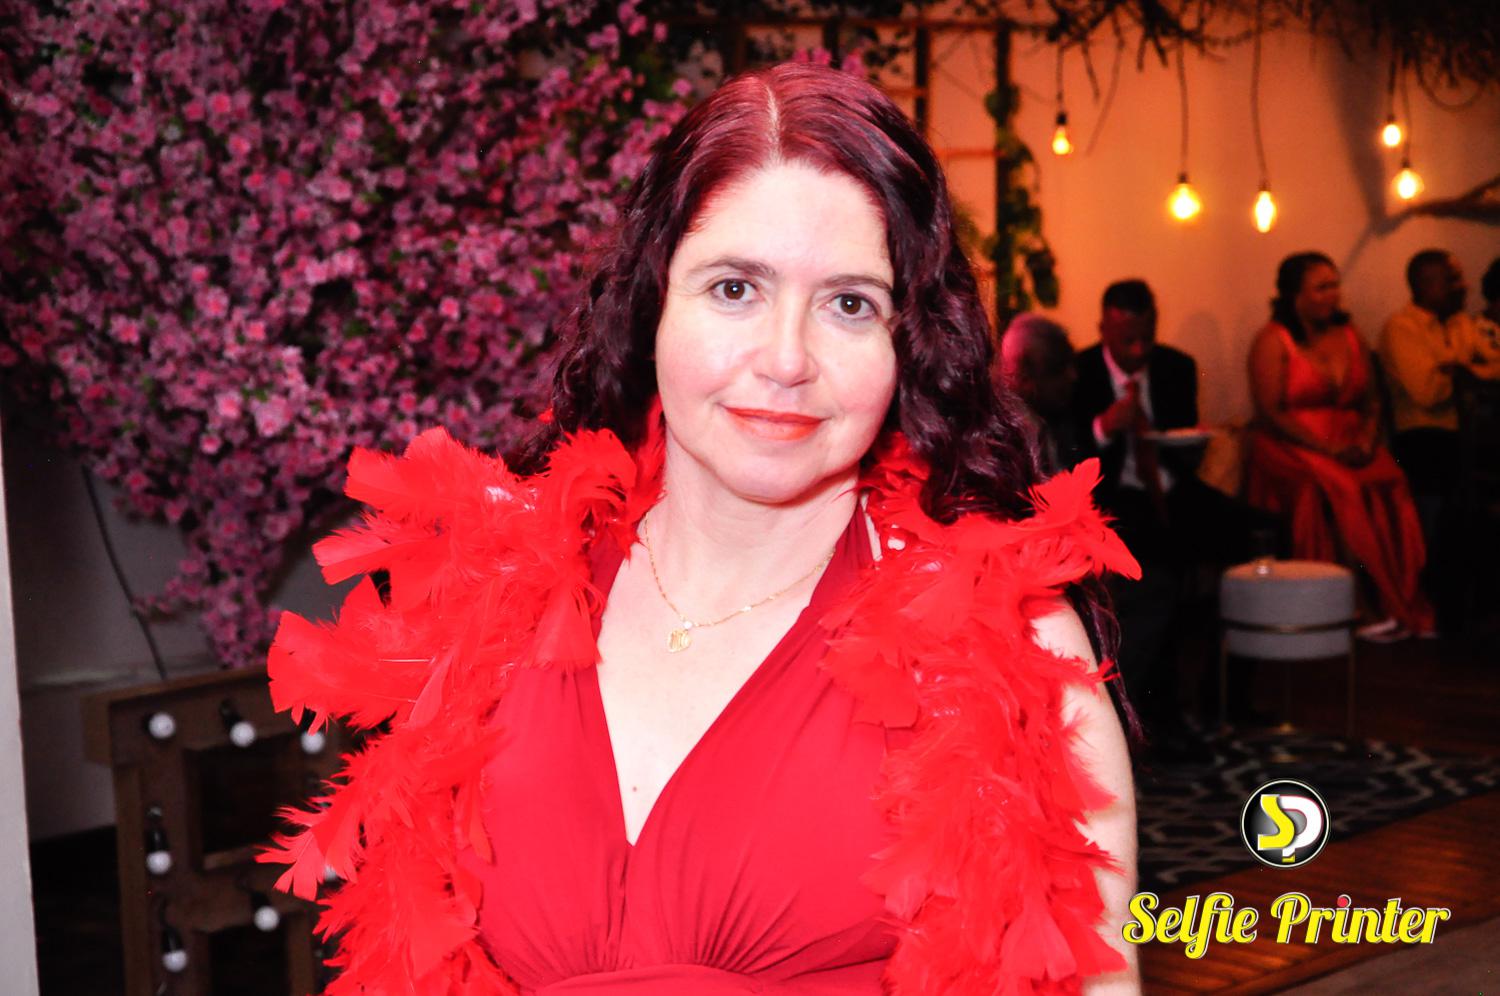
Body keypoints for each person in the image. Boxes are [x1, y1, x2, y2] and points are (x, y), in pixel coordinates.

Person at [261, 63, 1141, 994]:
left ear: (909, 342)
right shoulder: (494, 610)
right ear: (652, 303)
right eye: (734, 289)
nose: (786, 359)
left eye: (849, 303)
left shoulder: (1012, 651)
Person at [1071, 280, 1268, 734]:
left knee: (1257, 535)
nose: (1139, 350)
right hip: (1114, 498)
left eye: (1148, 337)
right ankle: (1159, 712)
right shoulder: (1080, 373)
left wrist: (1189, 445)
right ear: (1104, 329)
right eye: (1128, 340)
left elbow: (1183, 450)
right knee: (1159, 567)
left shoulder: (1176, 366)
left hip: (1172, 489)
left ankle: (1227, 694)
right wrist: (1104, 427)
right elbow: (1071, 457)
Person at [1245, 252, 1434, 640]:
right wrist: (1326, 449)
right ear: (1295, 294)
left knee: (1390, 478)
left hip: (1349, 441)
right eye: (1322, 287)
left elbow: (1372, 400)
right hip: (1292, 445)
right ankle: (1355, 606)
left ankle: (1400, 599)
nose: (1333, 295)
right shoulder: (1272, 340)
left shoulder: (1350, 334)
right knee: (1340, 489)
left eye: (1335, 285)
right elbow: (1270, 412)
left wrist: (1366, 438)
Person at [1380, 249, 1500, 625]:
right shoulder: (1401, 328)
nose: (1464, 286)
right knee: (1457, 483)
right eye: (1452, 280)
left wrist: (1462, 370)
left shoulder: (1462, 323)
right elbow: (1426, 393)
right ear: (1426, 285)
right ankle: (1445, 596)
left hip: (1468, 433)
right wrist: (1469, 370)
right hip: (1423, 435)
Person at [997, 311, 1080, 473]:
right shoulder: (1006, 440)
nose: (1072, 376)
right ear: (1023, 376)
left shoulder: (1055, 417)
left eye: (1071, 364)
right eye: (1057, 368)